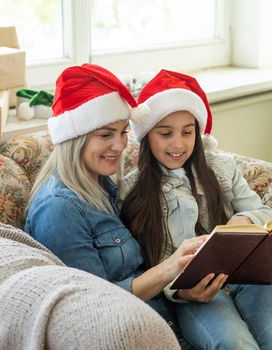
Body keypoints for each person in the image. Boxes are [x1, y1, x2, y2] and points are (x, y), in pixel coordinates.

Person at [119, 69, 272, 350]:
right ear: (147, 135)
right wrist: (182, 291)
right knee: (238, 344)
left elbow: (263, 214)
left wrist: (246, 220)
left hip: (251, 281)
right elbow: (150, 262)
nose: (178, 144)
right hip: (196, 295)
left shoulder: (220, 168)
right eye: (165, 134)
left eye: (187, 133)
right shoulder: (133, 190)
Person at [24, 64, 203, 349]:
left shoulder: (102, 183)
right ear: (75, 137)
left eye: (122, 132)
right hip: (142, 337)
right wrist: (171, 268)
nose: (119, 146)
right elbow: (93, 303)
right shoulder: (59, 209)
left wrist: (182, 288)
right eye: (106, 135)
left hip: (173, 317)